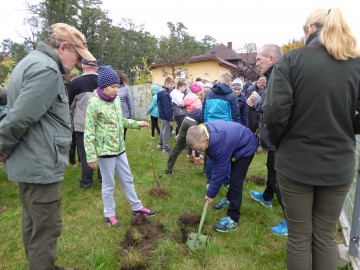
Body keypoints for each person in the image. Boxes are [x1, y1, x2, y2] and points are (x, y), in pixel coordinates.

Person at [262, 8, 360, 269]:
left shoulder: (291, 61)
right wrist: (347, 125)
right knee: (325, 236)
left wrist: (279, 142)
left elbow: (274, 113)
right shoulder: (356, 64)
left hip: (295, 164)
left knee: (299, 238)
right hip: (338, 165)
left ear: (309, 29)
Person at [0, 22, 94, 270]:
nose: (77, 64)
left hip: (30, 159)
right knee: (46, 228)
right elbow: (20, 117)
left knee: (33, 223)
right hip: (38, 161)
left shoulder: (30, 61)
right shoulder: (47, 70)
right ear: (63, 46)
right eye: (77, 57)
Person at [84, 65, 156, 227]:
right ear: (103, 86)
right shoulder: (94, 103)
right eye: (113, 87)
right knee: (109, 184)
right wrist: (91, 155)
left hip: (120, 148)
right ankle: (109, 214)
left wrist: (136, 124)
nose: (116, 90)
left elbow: (121, 121)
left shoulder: (115, 100)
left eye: (118, 86)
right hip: (105, 152)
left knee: (128, 179)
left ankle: (136, 207)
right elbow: (88, 130)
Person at [186, 120, 258, 232]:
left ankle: (233, 218)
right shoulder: (204, 133)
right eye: (196, 150)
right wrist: (211, 185)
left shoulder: (218, 143)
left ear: (206, 139)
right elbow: (214, 161)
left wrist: (210, 194)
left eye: (200, 149)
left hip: (246, 146)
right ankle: (229, 199)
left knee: (235, 182)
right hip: (235, 144)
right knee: (232, 176)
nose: (199, 152)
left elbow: (220, 172)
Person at [246, 44, 286, 236]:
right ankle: (267, 197)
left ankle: (290, 221)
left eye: (259, 59)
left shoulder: (280, 75)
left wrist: (259, 100)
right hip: (274, 139)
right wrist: (258, 98)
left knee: (279, 177)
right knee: (271, 169)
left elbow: (275, 107)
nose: (256, 63)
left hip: (281, 138)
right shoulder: (273, 76)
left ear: (271, 58)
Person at [68, 59, 102, 189]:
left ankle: (87, 182)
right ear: (96, 67)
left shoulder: (76, 82)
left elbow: (69, 104)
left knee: (85, 153)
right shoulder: (104, 81)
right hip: (103, 124)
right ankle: (103, 179)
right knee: (102, 152)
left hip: (83, 125)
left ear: (83, 66)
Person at [203, 72, 240, 187]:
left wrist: (205, 126)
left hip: (210, 129)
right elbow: (235, 116)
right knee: (227, 156)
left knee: (211, 155)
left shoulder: (208, 94)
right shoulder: (232, 96)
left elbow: (204, 113)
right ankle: (226, 181)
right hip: (226, 131)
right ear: (229, 83)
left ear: (218, 81)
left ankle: (210, 181)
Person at [183, 82, 204, 164]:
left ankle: (189, 156)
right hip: (195, 120)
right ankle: (197, 158)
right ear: (198, 91)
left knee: (190, 139)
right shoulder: (197, 101)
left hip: (188, 117)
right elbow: (200, 112)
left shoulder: (187, 97)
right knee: (197, 140)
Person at [157, 77, 175, 153]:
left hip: (162, 115)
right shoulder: (165, 94)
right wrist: (170, 119)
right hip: (166, 116)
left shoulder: (161, 92)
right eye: (171, 84)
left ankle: (160, 144)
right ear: (166, 83)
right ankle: (165, 148)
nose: (172, 86)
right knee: (166, 131)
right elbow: (167, 108)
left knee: (162, 130)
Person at [116, 70, 135, 141]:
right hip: (114, 117)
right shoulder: (109, 88)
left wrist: (132, 117)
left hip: (124, 117)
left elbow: (130, 103)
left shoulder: (126, 88)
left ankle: (122, 150)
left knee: (122, 136)